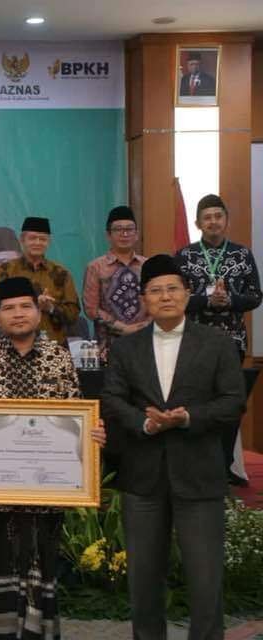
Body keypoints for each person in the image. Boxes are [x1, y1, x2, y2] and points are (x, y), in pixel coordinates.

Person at [0, 276, 106, 640]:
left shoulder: (58, 357)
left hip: (46, 491)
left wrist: (90, 433)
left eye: (25, 306)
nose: (18, 315)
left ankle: (39, 633)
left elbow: (74, 415)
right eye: (8, 308)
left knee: (40, 567)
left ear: (38, 310)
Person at [100, 255, 245, 640]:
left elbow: (233, 401)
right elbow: (112, 400)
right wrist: (145, 422)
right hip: (143, 479)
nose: (165, 297)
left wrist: (187, 418)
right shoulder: (127, 348)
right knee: (144, 581)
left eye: (172, 289)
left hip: (199, 476)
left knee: (205, 580)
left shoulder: (216, 343)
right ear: (145, 299)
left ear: (186, 293)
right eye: (156, 291)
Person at [175, 193, 260, 484]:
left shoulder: (242, 254)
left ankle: (225, 466)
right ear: (198, 223)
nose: (213, 221)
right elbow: (176, 299)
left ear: (226, 220)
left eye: (218, 216)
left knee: (229, 405)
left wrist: (230, 301)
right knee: (197, 403)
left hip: (233, 341)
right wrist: (207, 301)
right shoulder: (185, 256)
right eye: (207, 217)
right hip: (194, 343)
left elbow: (255, 296)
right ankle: (197, 467)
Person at [0, 217, 80, 344]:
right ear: (22, 240)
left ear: (48, 242)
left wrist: (50, 308)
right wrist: (29, 304)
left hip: (53, 346)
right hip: (14, 345)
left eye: (43, 239)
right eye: (33, 238)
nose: (38, 243)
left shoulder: (61, 273)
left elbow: (73, 315)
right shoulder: (6, 270)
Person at [82, 206, 149, 357]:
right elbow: (91, 309)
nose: (124, 234)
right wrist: (121, 327)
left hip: (145, 340)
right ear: (108, 235)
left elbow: (156, 300)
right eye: (118, 229)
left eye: (129, 229)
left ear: (136, 234)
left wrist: (144, 326)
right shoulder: (95, 267)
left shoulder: (148, 265)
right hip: (108, 345)